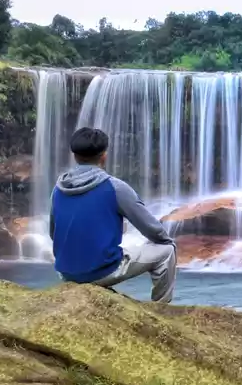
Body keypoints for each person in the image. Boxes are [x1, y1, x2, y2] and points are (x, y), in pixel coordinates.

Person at [49, 127, 177, 303]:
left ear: (75, 156)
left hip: (65, 272)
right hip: (103, 271)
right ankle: (161, 308)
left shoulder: (58, 189)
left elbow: (53, 233)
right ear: (104, 155)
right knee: (167, 251)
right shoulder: (115, 187)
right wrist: (167, 240)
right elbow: (149, 227)